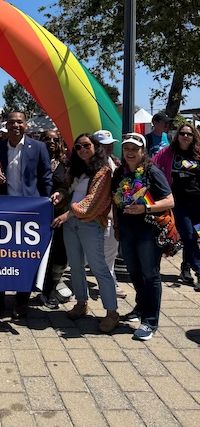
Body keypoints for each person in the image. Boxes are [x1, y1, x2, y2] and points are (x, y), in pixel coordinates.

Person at [52, 133, 119, 333]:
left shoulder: (103, 171)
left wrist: (68, 214)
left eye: (86, 145)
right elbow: (66, 188)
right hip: (72, 224)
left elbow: (93, 202)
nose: (82, 150)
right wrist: (60, 194)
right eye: (78, 147)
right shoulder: (75, 169)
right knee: (75, 266)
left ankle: (112, 313)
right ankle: (81, 303)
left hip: (90, 223)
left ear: (96, 146)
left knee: (99, 268)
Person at [0, 110, 53, 318]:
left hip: (30, 212)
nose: (16, 125)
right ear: (6, 125)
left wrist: (45, 205)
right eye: (12, 122)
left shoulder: (39, 147)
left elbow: (46, 178)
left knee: (24, 258)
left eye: (20, 122)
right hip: (3, 210)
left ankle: (21, 300)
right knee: (0, 257)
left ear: (26, 125)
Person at [113, 133, 175, 340]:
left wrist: (146, 209)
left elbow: (169, 201)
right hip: (127, 230)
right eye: (127, 149)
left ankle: (149, 322)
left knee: (150, 274)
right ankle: (140, 308)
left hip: (149, 231)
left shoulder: (152, 172)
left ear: (143, 151)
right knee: (134, 272)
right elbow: (115, 200)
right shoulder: (119, 173)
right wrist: (116, 225)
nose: (130, 153)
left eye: (134, 149)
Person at [153, 122, 200, 289]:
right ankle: (199, 271)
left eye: (189, 134)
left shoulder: (198, 154)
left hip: (197, 204)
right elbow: (153, 165)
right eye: (183, 134)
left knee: (196, 236)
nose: (186, 136)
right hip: (179, 204)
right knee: (188, 235)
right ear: (177, 135)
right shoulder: (168, 152)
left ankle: (186, 269)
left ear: (194, 137)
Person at [93, 130, 127, 300]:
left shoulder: (115, 162)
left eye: (110, 143)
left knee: (110, 251)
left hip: (113, 214)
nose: (108, 147)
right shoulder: (90, 165)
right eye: (104, 144)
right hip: (96, 215)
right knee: (100, 251)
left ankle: (109, 281)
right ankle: (109, 282)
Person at [38, 130, 69, 308]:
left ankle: (49, 290)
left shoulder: (66, 164)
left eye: (55, 139)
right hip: (38, 216)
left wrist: (63, 197)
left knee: (58, 254)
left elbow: (68, 187)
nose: (51, 142)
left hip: (58, 216)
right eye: (46, 139)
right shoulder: (34, 161)